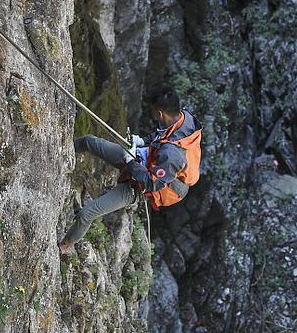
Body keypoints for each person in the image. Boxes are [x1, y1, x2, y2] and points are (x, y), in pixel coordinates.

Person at [58, 85, 202, 254]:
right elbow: (163, 135)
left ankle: (64, 246)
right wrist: (142, 141)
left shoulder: (172, 155)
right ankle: (59, 149)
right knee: (89, 141)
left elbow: (151, 184)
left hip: (142, 187)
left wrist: (131, 162)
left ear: (160, 113)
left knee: (86, 214)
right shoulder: (184, 119)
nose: (153, 114)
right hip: (145, 158)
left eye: (153, 111)